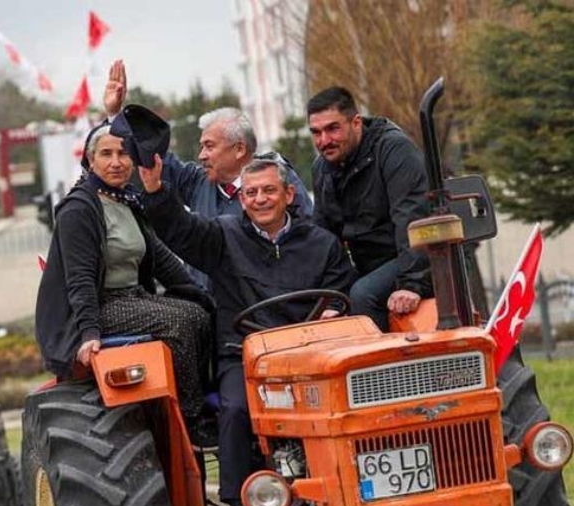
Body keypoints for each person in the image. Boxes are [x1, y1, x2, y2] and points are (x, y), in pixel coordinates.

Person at [138, 154, 356, 506]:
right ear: (240, 199)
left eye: (269, 190)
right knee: (236, 409)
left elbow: (339, 293)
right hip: (244, 354)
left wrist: (329, 313)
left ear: (289, 194)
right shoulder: (222, 237)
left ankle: (344, 492)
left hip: (308, 357)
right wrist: (155, 191)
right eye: (251, 192)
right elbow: (180, 230)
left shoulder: (321, 244)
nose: (259, 199)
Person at [35, 122, 215, 444]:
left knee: (202, 315)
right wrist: (89, 332)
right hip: (96, 308)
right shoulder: (78, 210)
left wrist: (199, 294)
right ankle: (192, 418)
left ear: (133, 160)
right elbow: (80, 279)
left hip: (133, 298)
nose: (116, 162)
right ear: (90, 161)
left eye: (122, 153)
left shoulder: (128, 200)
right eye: (106, 154)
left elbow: (161, 258)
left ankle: (206, 400)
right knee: (179, 322)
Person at [104, 60, 313, 226]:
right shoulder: (198, 183)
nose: (201, 155)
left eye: (210, 146)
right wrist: (115, 115)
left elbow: (307, 240)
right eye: (202, 146)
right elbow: (153, 156)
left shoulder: (278, 181)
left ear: (239, 148)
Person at [308, 86, 432, 331]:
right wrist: (330, 299)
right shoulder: (322, 168)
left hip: (415, 259)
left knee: (363, 293)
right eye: (316, 132)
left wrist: (412, 284)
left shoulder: (394, 150)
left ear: (356, 123)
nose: (324, 141)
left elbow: (412, 218)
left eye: (333, 128)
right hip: (368, 265)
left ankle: (382, 369)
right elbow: (325, 238)